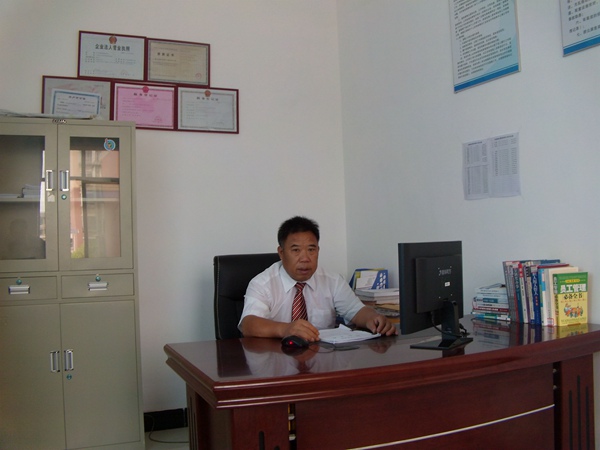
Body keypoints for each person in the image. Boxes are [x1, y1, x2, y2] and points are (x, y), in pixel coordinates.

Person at [239, 216, 397, 341]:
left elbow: (356, 311)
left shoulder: (332, 281)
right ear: (281, 253)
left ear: (318, 251)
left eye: (311, 250)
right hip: (276, 358)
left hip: (322, 358)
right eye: (296, 250)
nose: (305, 258)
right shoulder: (262, 284)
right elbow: (249, 324)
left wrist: (373, 318)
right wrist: (286, 329)